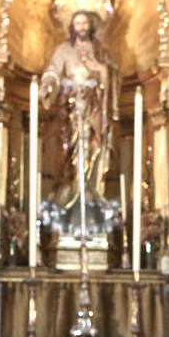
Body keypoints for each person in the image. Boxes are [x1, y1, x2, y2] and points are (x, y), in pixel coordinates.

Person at [40, 11, 119, 217]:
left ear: (90, 26)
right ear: (72, 27)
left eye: (84, 23)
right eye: (77, 23)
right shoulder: (64, 50)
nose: (81, 27)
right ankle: (70, 191)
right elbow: (53, 71)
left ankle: (92, 189)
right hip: (70, 111)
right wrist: (49, 84)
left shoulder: (101, 50)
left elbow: (113, 75)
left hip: (94, 109)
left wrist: (99, 69)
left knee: (94, 146)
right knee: (70, 150)